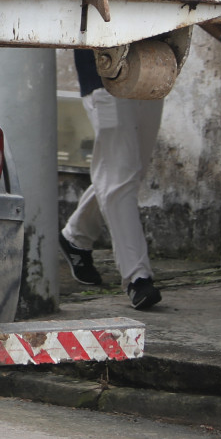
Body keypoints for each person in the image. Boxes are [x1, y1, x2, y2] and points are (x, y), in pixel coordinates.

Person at [60, 49, 164, 310]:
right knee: (120, 176)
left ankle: (76, 236)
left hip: (154, 70)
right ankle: (137, 278)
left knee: (127, 173)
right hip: (105, 77)